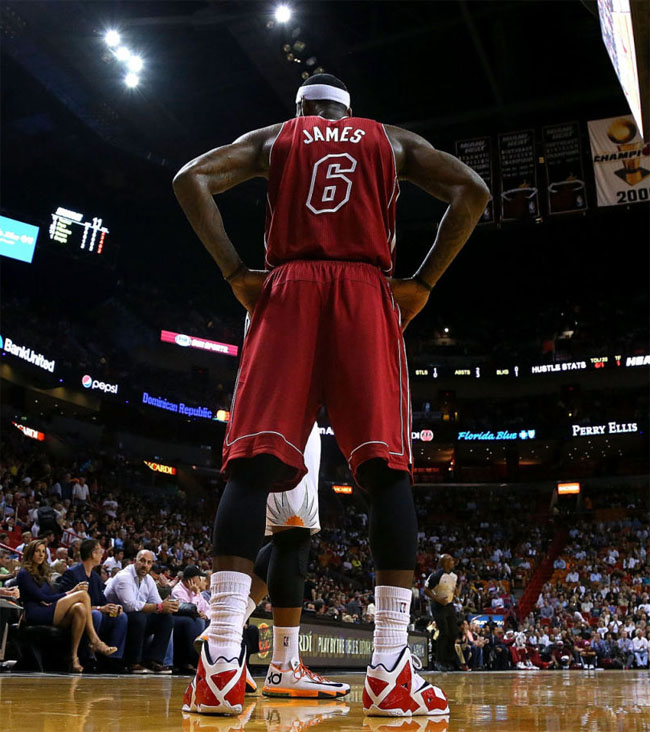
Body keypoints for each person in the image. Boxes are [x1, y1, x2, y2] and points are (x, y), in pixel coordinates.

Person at [173, 72, 488, 716]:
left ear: (303, 109)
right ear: (351, 110)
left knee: (252, 464)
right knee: (385, 469)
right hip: (365, 292)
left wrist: (236, 271)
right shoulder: (389, 140)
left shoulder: (276, 138)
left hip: (286, 290)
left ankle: (222, 663)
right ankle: (389, 669)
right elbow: (473, 192)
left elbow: (190, 180)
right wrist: (423, 282)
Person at [188, 424, 350, 704]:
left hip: (255, 402)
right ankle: (282, 665)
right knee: (293, 529)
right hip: (290, 403)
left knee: (262, 501)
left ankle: (224, 634)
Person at [16, 539, 117, 672]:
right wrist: (71, 592)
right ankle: (95, 641)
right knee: (82, 594)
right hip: (35, 614)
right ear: (30, 553)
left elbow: (48, 597)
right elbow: (43, 598)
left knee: (80, 609)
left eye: (43, 552)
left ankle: (74, 658)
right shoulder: (24, 574)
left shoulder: (42, 573)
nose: (41, 555)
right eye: (37, 551)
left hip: (47, 609)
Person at [57, 538, 128, 667]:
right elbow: (67, 603)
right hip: (75, 615)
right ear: (92, 554)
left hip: (97, 613)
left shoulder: (95, 577)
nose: (102, 555)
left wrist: (112, 607)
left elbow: (102, 601)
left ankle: (114, 659)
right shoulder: (71, 573)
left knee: (121, 617)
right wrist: (100, 608)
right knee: (96, 614)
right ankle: (87, 657)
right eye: (100, 552)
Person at [105, 549, 177, 673]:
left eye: (149, 563)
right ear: (135, 561)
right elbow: (130, 606)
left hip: (135, 616)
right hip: (115, 614)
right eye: (142, 561)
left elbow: (157, 602)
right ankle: (133, 662)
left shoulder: (148, 579)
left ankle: (154, 661)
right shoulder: (124, 576)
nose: (145, 565)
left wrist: (168, 606)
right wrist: (159, 607)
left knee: (166, 618)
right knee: (139, 617)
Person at [425, 555, 460, 671]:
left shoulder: (454, 576)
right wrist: (438, 599)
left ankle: (449, 660)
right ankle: (439, 661)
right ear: (445, 563)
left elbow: (454, 591)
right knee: (444, 632)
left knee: (454, 632)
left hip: (449, 605)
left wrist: (458, 590)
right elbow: (426, 590)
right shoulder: (436, 576)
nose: (453, 562)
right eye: (450, 560)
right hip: (438, 606)